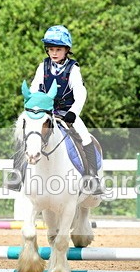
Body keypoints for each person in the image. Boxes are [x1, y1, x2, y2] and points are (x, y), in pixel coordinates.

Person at [8, 25, 103, 195]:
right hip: (46, 113)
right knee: (23, 135)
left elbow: (81, 92)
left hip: (67, 113)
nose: (54, 53)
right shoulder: (42, 66)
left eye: (58, 49)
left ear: (67, 50)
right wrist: (35, 108)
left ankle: (92, 178)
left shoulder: (73, 69)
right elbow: (36, 88)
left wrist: (73, 112)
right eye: (51, 49)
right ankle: (16, 175)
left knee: (85, 137)